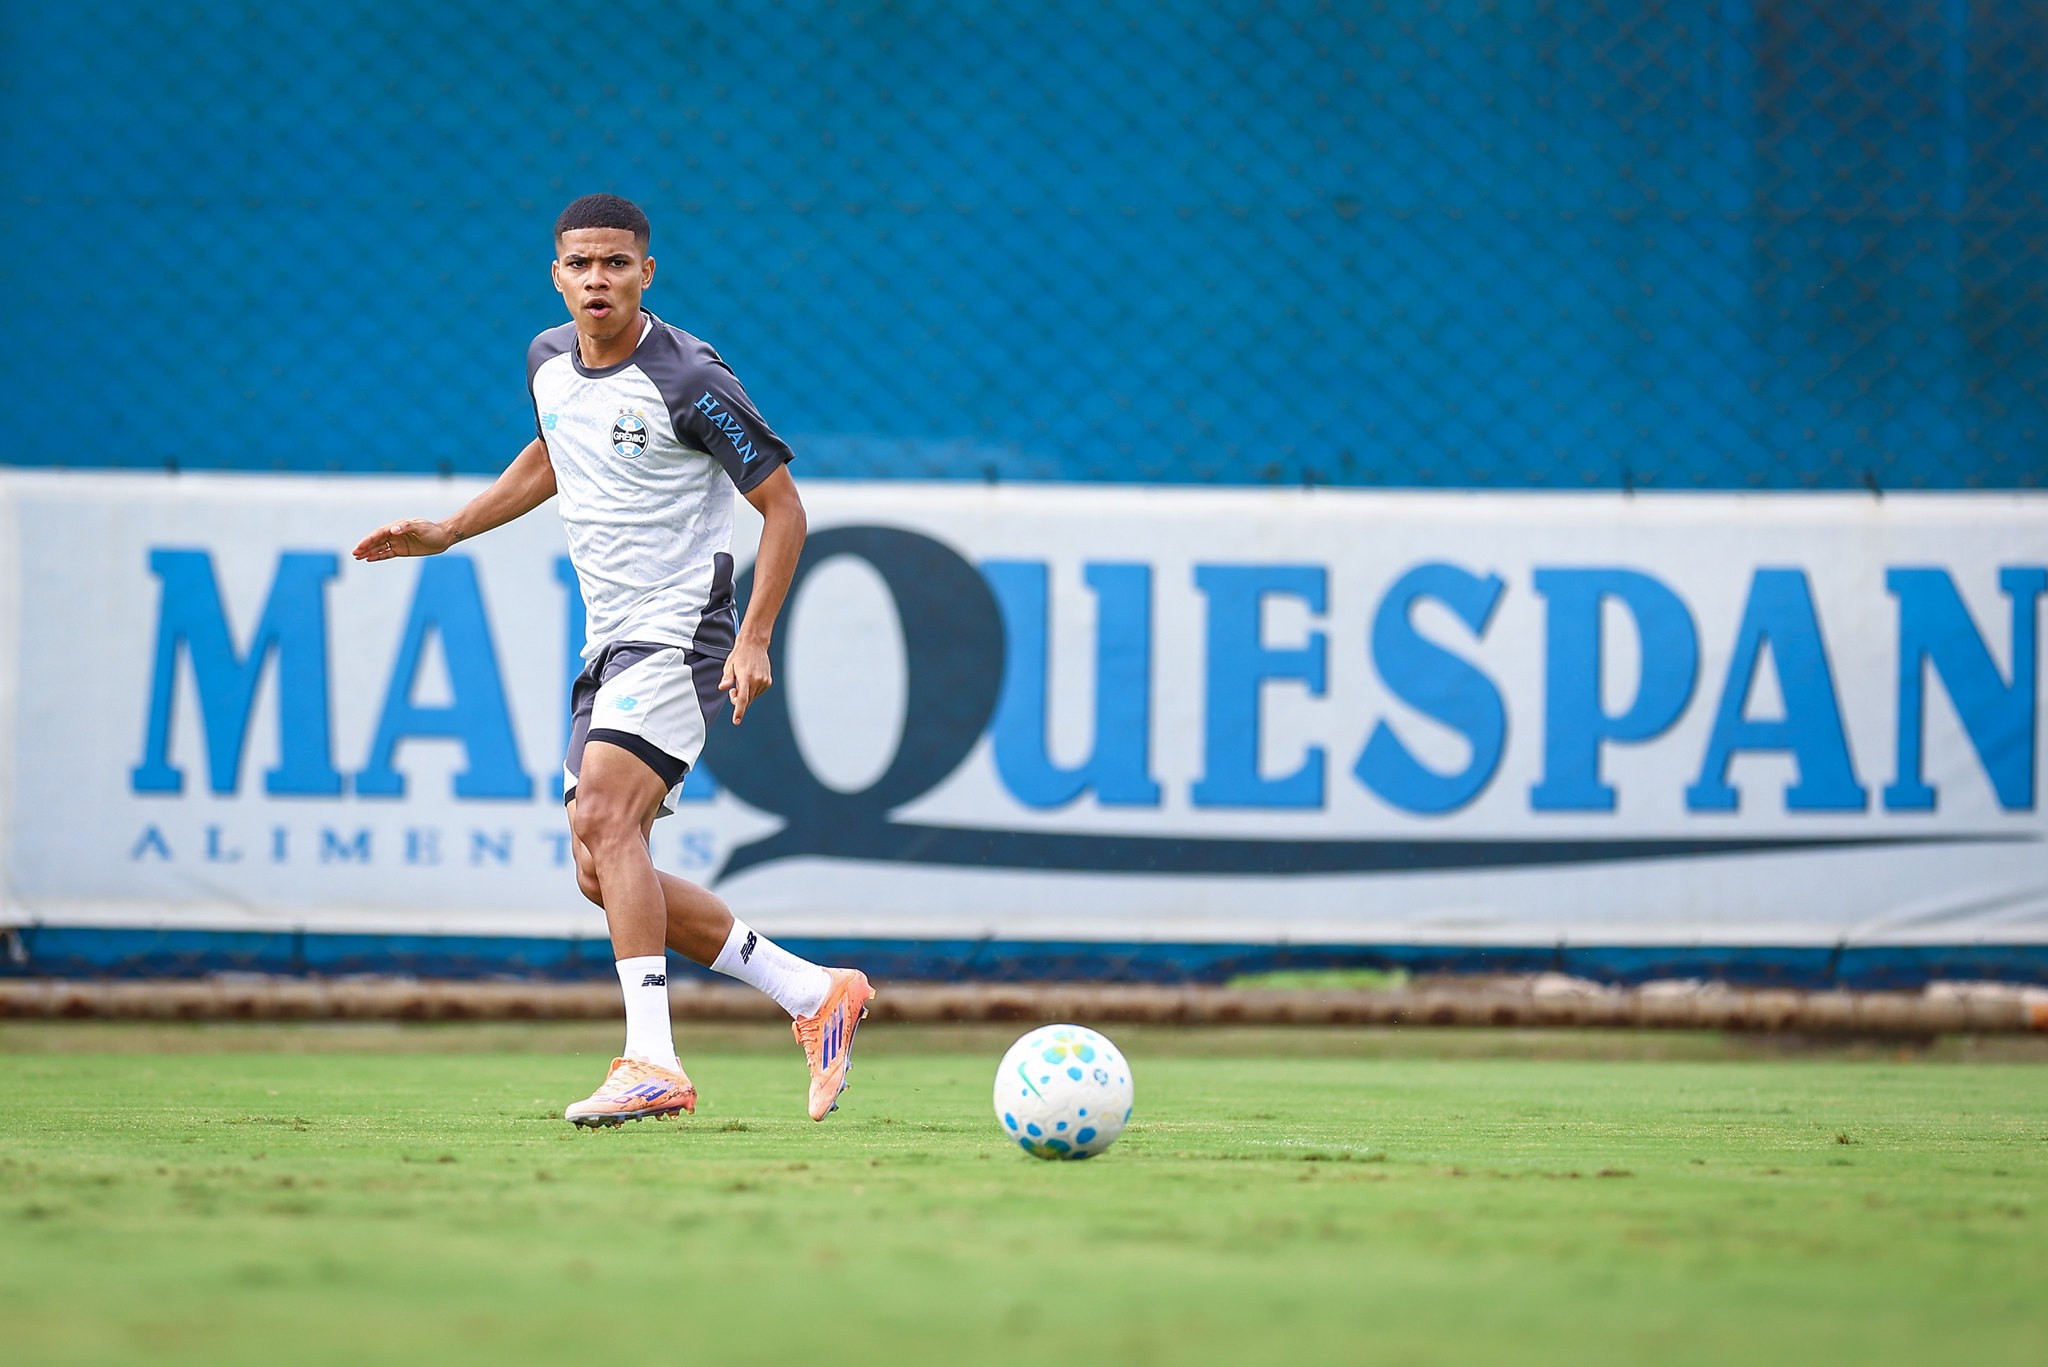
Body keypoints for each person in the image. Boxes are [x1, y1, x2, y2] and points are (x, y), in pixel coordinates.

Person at [352, 193, 872, 1127]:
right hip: (610, 635)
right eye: (581, 265)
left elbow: (785, 508)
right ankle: (812, 992)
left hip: (683, 628)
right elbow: (556, 453)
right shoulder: (548, 361)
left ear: (647, 273)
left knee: (603, 812)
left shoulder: (690, 379)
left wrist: (753, 637)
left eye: (616, 264)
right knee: (602, 866)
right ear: (556, 273)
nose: (598, 279)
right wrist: (451, 529)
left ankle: (651, 1061)